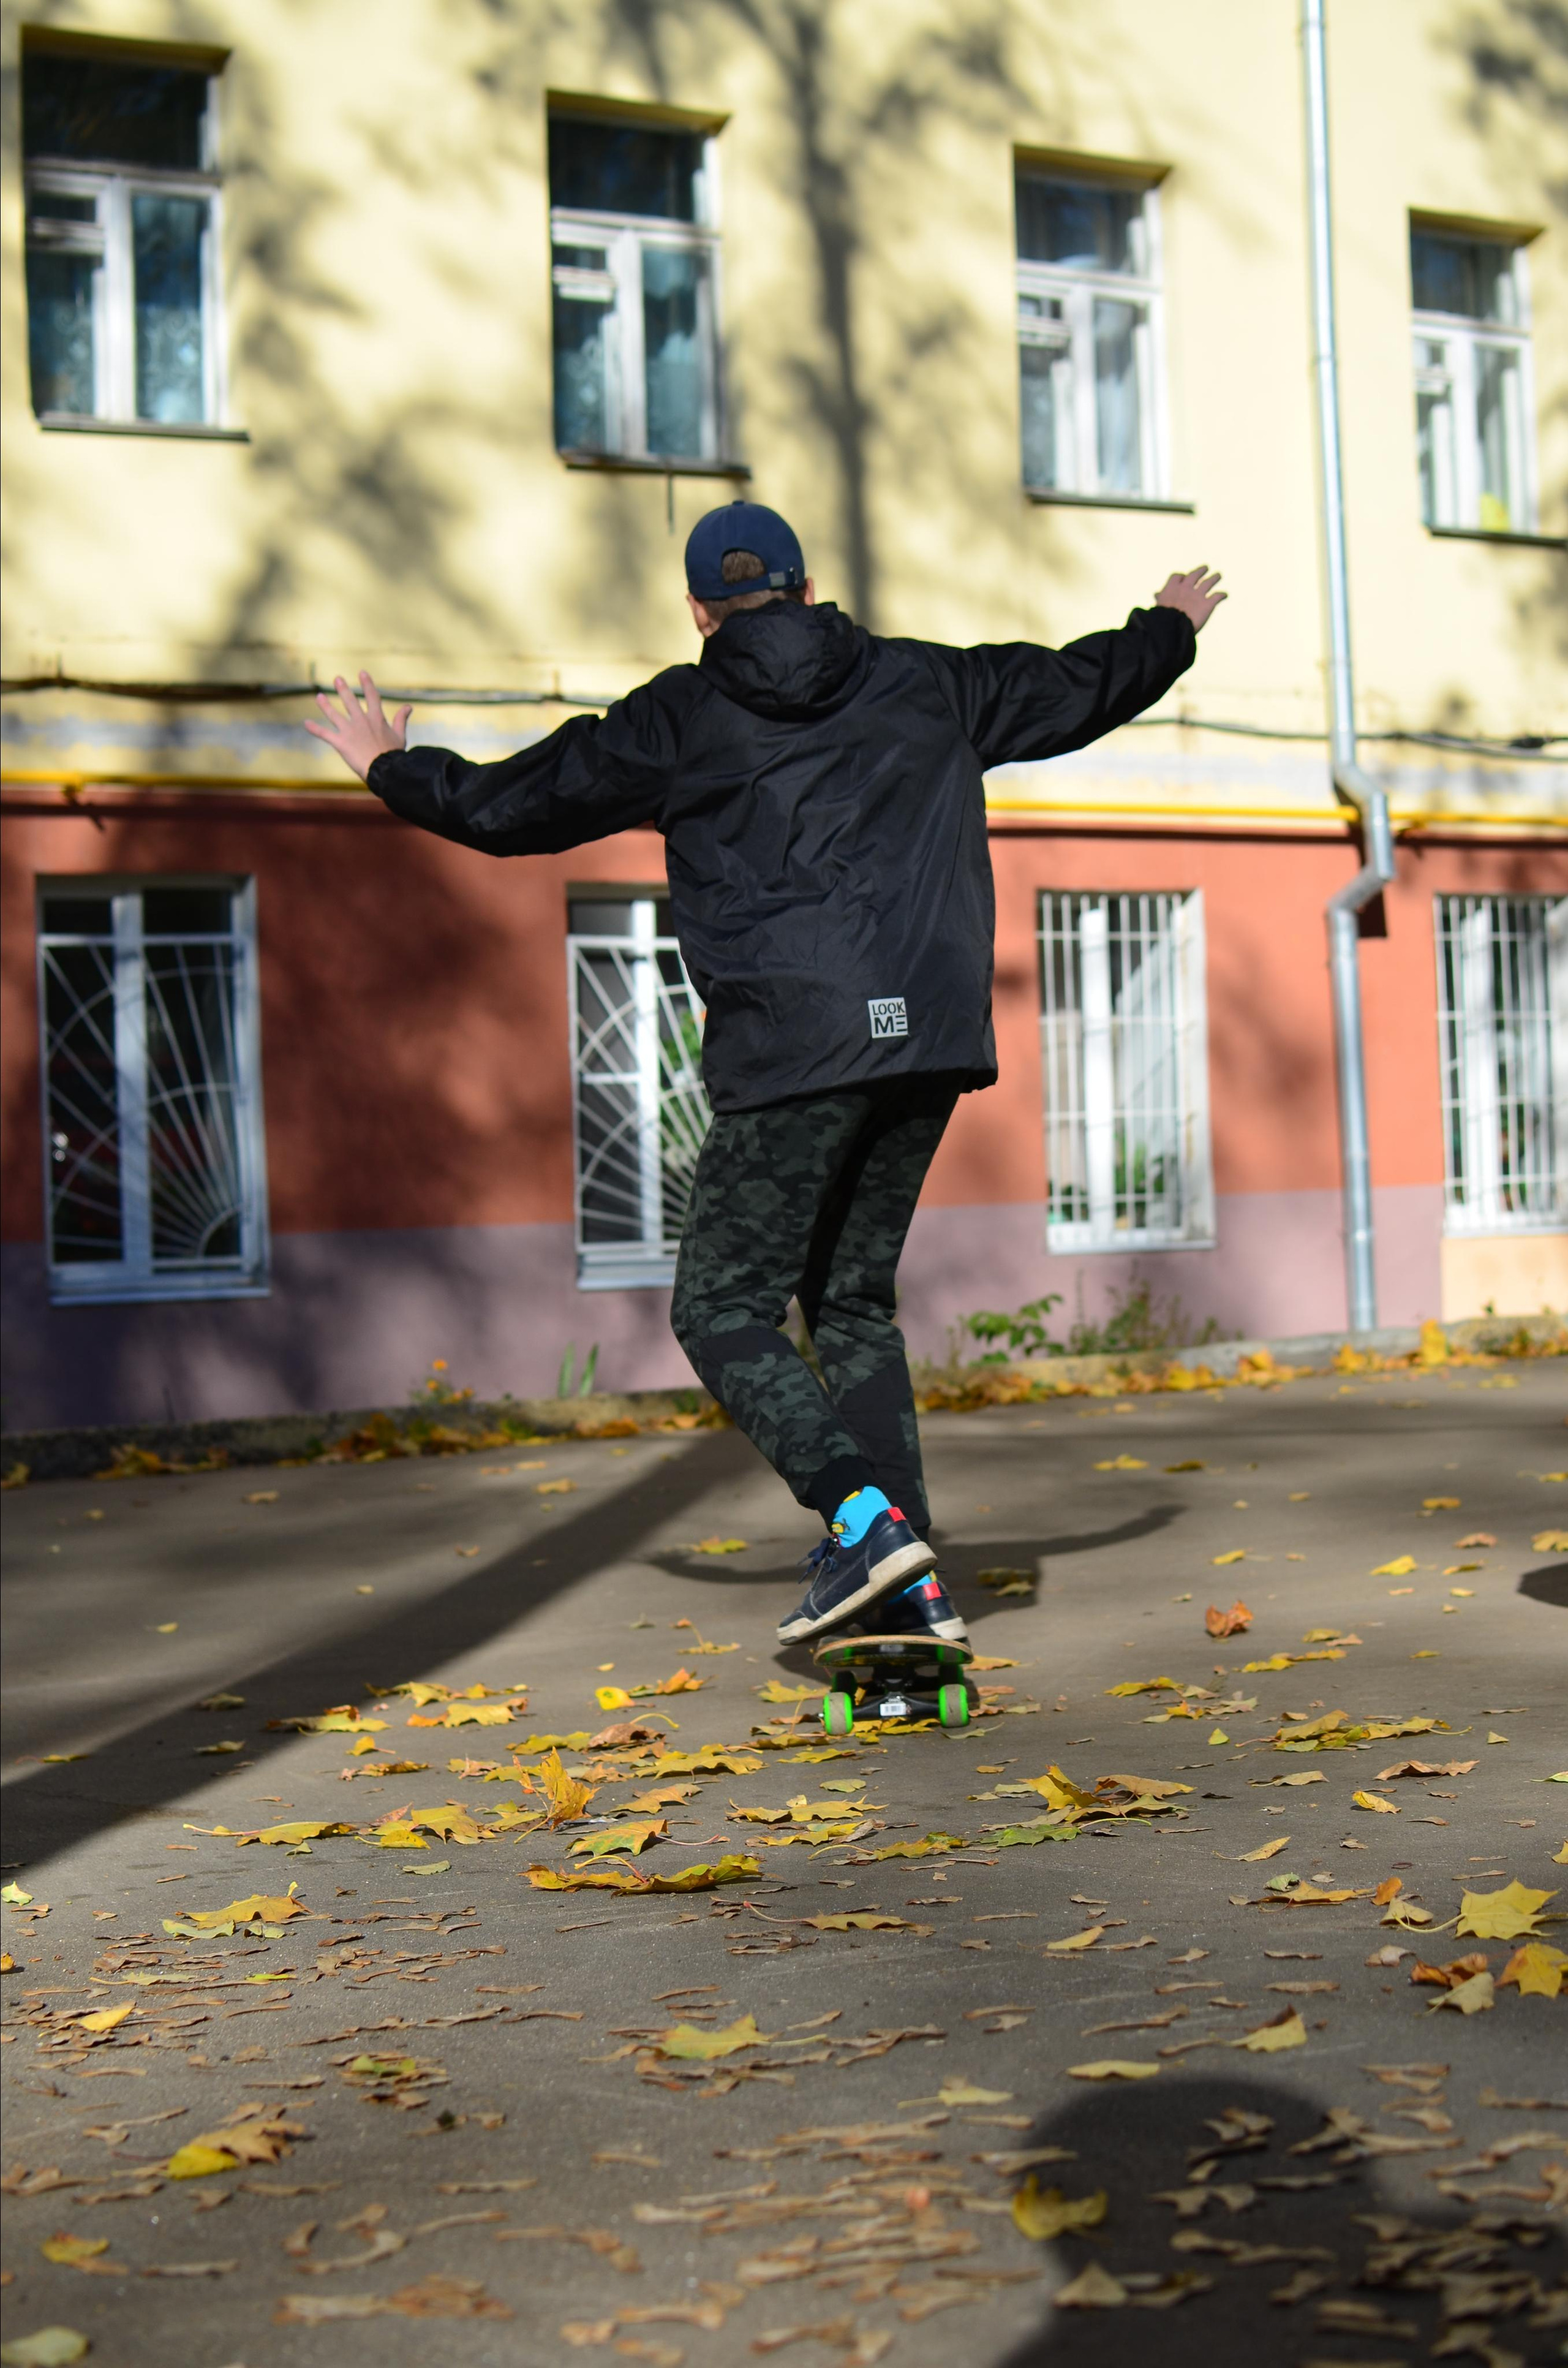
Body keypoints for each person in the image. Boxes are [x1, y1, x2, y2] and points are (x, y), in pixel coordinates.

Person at [306, 501, 1224, 1647]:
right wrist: (1169, 628)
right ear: (801, 587)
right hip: (928, 1040)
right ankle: (913, 1582)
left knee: (722, 1308)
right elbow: (1072, 689)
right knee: (848, 1303)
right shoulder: (926, 680)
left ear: (700, 608)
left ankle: (862, 1521)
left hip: (796, 1047)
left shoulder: (680, 715)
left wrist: (394, 769)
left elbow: (520, 806)